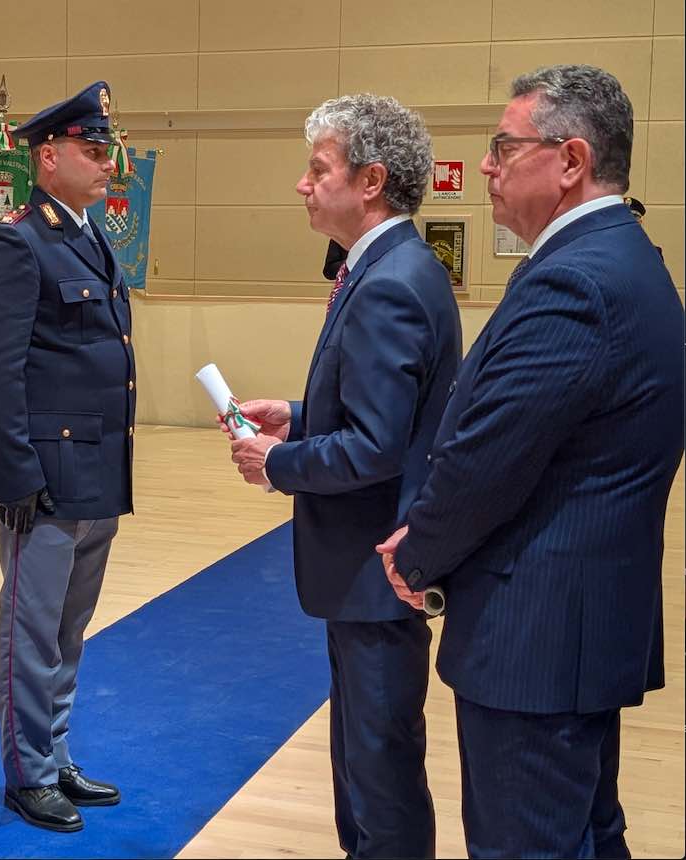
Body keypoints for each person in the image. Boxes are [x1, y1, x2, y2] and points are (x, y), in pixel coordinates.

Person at [376, 65, 684, 859]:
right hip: (577, 627)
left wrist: (418, 553)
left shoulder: (574, 283)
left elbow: (488, 459)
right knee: (585, 833)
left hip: (535, 640)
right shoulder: (619, 256)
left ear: (570, 159)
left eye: (503, 147)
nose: (485, 165)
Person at [224, 94, 460, 859]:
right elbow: (382, 412)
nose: (302, 184)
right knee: (365, 767)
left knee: (378, 775)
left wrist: (277, 463)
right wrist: (299, 416)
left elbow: (374, 448)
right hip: (370, 568)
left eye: (317, 168)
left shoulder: (388, 281)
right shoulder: (393, 265)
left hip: (374, 568)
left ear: (370, 181)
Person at [0, 80, 134, 833]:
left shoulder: (89, 236)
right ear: (47, 157)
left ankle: (55, 753)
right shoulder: (17, 241)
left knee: (68, 630)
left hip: (95, 472)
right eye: (92, 150)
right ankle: (27, 772)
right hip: (44, 480)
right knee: (30, 634)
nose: (107, 163)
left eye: (107, 150)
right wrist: (14, 476)